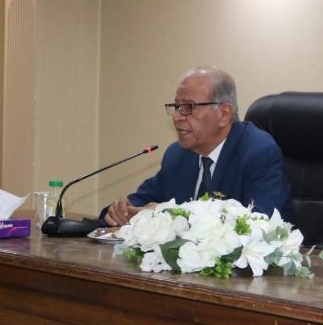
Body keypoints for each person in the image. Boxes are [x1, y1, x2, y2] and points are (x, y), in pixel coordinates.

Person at [104, 66, 292, 226]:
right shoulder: (178, 155)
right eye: (176, 106)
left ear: (224, 114)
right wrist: (119, 212)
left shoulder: (258, 152)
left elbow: (259, 224)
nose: (177, 117)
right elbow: (139, 202)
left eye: (188, 107)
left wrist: (166, 215)